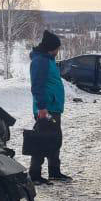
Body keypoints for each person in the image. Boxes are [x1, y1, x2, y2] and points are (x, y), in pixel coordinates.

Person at [28, 30, 71, 185]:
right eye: (57, 48)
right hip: (46, 109)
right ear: (50, 48)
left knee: (54, 140)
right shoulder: (40, 61)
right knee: (41, 141)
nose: (58, 51)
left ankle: (54, 172)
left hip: (53, 108)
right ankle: (34, 175)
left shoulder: (48, 59)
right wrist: (41, 108)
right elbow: (37, 86)